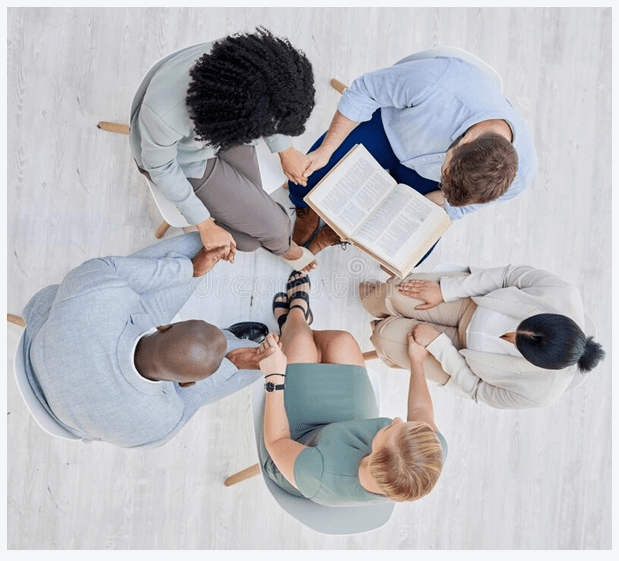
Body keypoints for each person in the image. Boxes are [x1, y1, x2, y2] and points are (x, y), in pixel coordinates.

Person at [20, 232, 276, 448]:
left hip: (46, 348)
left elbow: (111, 270)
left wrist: (189, 269)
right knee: (256, 363)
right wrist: (235, 363)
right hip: (61, 392)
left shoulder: (94, 291)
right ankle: (230, 341)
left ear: (164, 325)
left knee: (197, 246)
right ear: (186, 382)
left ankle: (225, 342)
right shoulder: (160, 425)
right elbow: (196, 395)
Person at [288, 54, 536, 260]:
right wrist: (325, 152)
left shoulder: (518, 179)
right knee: (308, 175)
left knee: (412, 251)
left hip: (429, 184)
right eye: (445, 170)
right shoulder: (438, 82)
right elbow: (364, 91)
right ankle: (306, 209)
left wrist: (426, 206)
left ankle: (339, 232)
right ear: (466, 140)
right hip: (390, 130)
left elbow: (458, 207)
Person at [130, 27, 318, 272]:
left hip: (225, 130)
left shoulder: (245, 63)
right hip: (183, 161)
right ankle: (284, 246)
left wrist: (286, 150)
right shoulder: (164, 115)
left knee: (252, 238)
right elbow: (160, 167)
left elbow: (271, 101)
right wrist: (204, 224)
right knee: (262, 234)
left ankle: (278, 241)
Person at [253, 271, 447, 506]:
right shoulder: (427, 453)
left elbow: (276, 440)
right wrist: (417, 361)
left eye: (390, 430)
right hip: (346, 427)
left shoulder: (321, 474)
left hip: (294, 444)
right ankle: (295, 323)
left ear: (375, 459)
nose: (397, 420)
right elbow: (420, 411)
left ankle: (295, 316)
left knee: (301, 342)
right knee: (342, 341)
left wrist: (274, 376)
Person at [360, 264, 605, 409]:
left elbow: (477, 390)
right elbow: (507, 275)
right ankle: (380, 302)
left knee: (386, 337)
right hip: (471, 304)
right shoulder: (562, 293)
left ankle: (386, 329)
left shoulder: (539, 394)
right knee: (390, 294)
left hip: (462, 362)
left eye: (515, 342)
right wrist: (446, 290)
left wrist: (439, 345)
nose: (508, 334)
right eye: (519, 324)